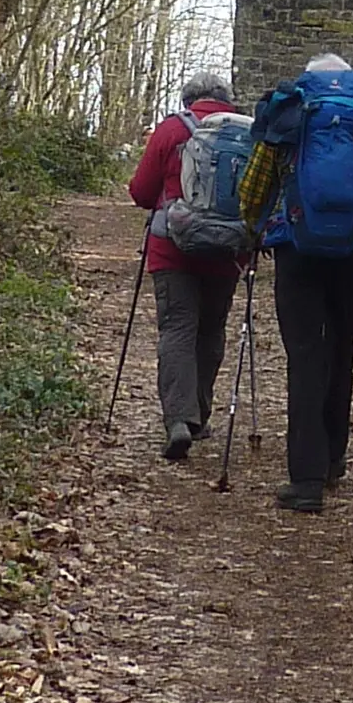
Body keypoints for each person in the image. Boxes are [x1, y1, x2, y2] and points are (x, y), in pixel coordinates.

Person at [240, 53, 353, 514]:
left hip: (298, 251)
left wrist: (262, 230)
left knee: (305, 356)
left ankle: (307, 479)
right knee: (342, 348)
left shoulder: (289, 121)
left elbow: (251, 195)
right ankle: (335, 456)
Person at [128, 71, 244, 461]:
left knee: (177, 327)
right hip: (227, 250)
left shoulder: (171, 130)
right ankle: (200, 416)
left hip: (173, 249)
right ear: (226, 98)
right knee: (211, 329)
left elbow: (142, 193)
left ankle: (178, 419)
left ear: (188, 98)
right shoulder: (248, 133)